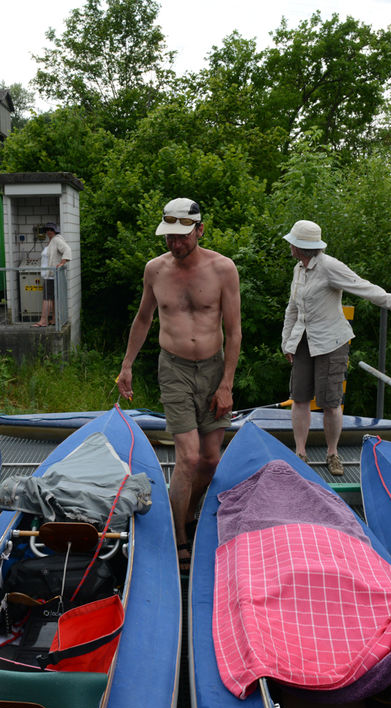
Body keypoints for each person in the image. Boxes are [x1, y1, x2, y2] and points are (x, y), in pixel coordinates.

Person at [116, 198, 241, 568]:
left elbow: (233, 331)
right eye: (169, 236)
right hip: (174, 369)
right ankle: (179, 537)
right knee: (186, 456)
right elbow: (143, 319)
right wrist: (127, 366)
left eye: (183, 236)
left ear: (200, 230)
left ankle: (187, 512)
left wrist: (226, 384)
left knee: (210, 459)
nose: (175, 243)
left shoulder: (223, 269)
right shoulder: (155, 270)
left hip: (214, 369)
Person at [280, 220, 391, 475]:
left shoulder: (330, 267)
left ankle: (332, 453)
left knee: (331, 402)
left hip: (331, 343)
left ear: (300, 246)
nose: (289, 245)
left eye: (292, 241)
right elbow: (292, 308)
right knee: (299, 398)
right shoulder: (298, 269)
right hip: (303, 341)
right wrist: (287, 342)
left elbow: (364, 287)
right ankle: (299, 452)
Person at [33, 222, 71, 327]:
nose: (49, 231)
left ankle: (43, 321)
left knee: (47, 298)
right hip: (49, 275)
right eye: (47, 230)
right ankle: (54, 319)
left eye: (51, 229)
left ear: (55, 231)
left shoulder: (56, 240)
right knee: (52, 298)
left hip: (51, 275)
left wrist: (62, 263)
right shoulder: (51, 241)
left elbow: (67, 249)